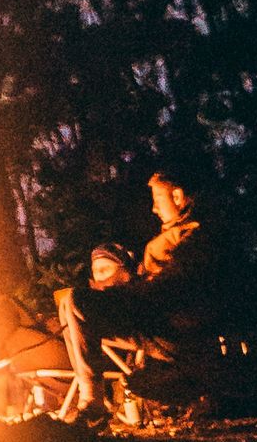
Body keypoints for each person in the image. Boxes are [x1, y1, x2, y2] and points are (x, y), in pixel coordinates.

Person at [54, 173, 214, 416]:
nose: (154, 208)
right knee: (69, 303)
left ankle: (93, 400)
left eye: (159, 199)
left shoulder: (194, 235)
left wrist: (127, 288)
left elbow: (171, 285)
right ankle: (90, 397)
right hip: (151, 322)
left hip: (170, 330)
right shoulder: (170, 237)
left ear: (178, 197)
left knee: (77, 300)